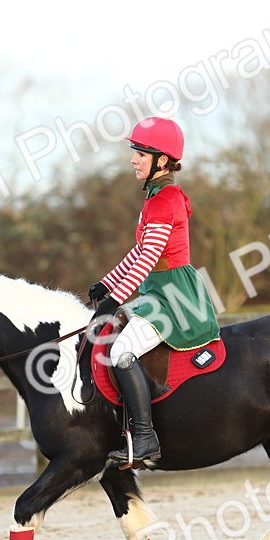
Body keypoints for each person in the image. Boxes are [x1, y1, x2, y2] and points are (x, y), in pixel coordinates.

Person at [88, 117, 220, 468]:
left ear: (161, 161)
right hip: (156, 291)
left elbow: (148, 259)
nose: (133, 159)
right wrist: (107, 283)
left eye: (140, 154)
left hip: (173, 296)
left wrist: (115, 300)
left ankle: (145, 438)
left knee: (121, 351)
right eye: (134, 153)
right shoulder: (157, 198)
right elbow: (139, 252)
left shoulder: (165, 201)